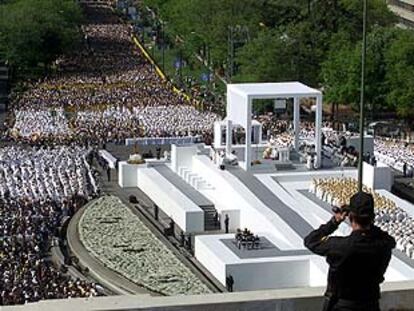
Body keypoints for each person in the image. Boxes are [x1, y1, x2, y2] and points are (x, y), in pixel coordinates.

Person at [304, 192, 395, 311]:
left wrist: (334, 222)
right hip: (370, 305)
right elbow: (389, 239)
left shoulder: (339, 246)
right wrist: (369, 224)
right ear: (372, 218)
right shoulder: (383, 244)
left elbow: (310, 241)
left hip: (343, 305)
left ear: (351, 217)